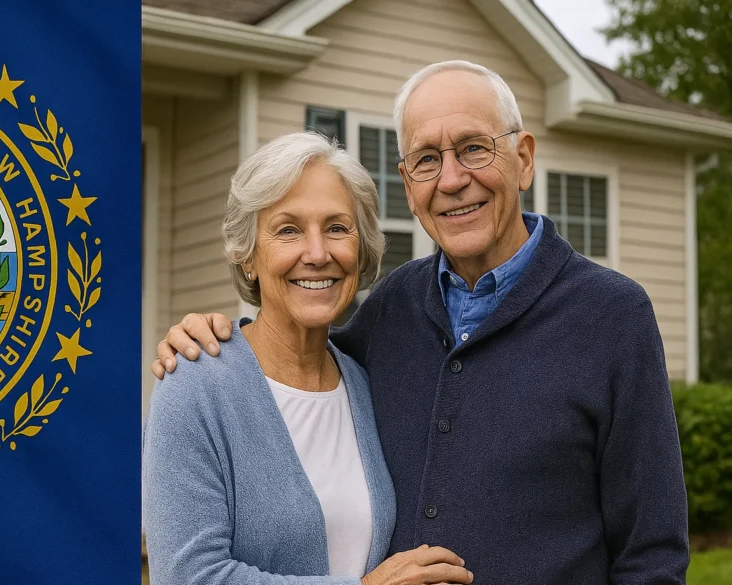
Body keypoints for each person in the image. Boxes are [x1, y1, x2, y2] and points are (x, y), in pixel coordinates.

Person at [152, 60, 689, 584]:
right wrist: (212, 339)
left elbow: (652, 555)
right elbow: (285, 352)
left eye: (474, 148)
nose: (453, 179)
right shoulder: (391, 310)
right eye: (427, 159)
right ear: (408, 184)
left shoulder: (612, 317)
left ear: (523, 159)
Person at [142, 132, 474, 585]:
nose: (317, 254)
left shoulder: (364, 380)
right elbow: (186, 577)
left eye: (337, 228)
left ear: (361, 253)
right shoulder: (195, 385)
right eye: (288, 230)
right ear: (247, 258)